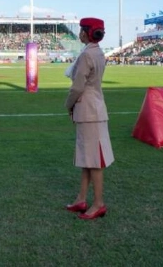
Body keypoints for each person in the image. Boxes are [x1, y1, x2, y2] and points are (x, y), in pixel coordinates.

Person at [65, 17, 114, 221]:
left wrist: (68, 104)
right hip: (95, 109)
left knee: (93, 161)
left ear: (86, 33)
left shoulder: (86, 55)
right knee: (87, 158)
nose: (79, 33)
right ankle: (82, 199)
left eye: (81, 30)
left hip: (88, 111)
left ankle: (98, 203)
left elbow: (77, 87)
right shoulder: (99, 53)